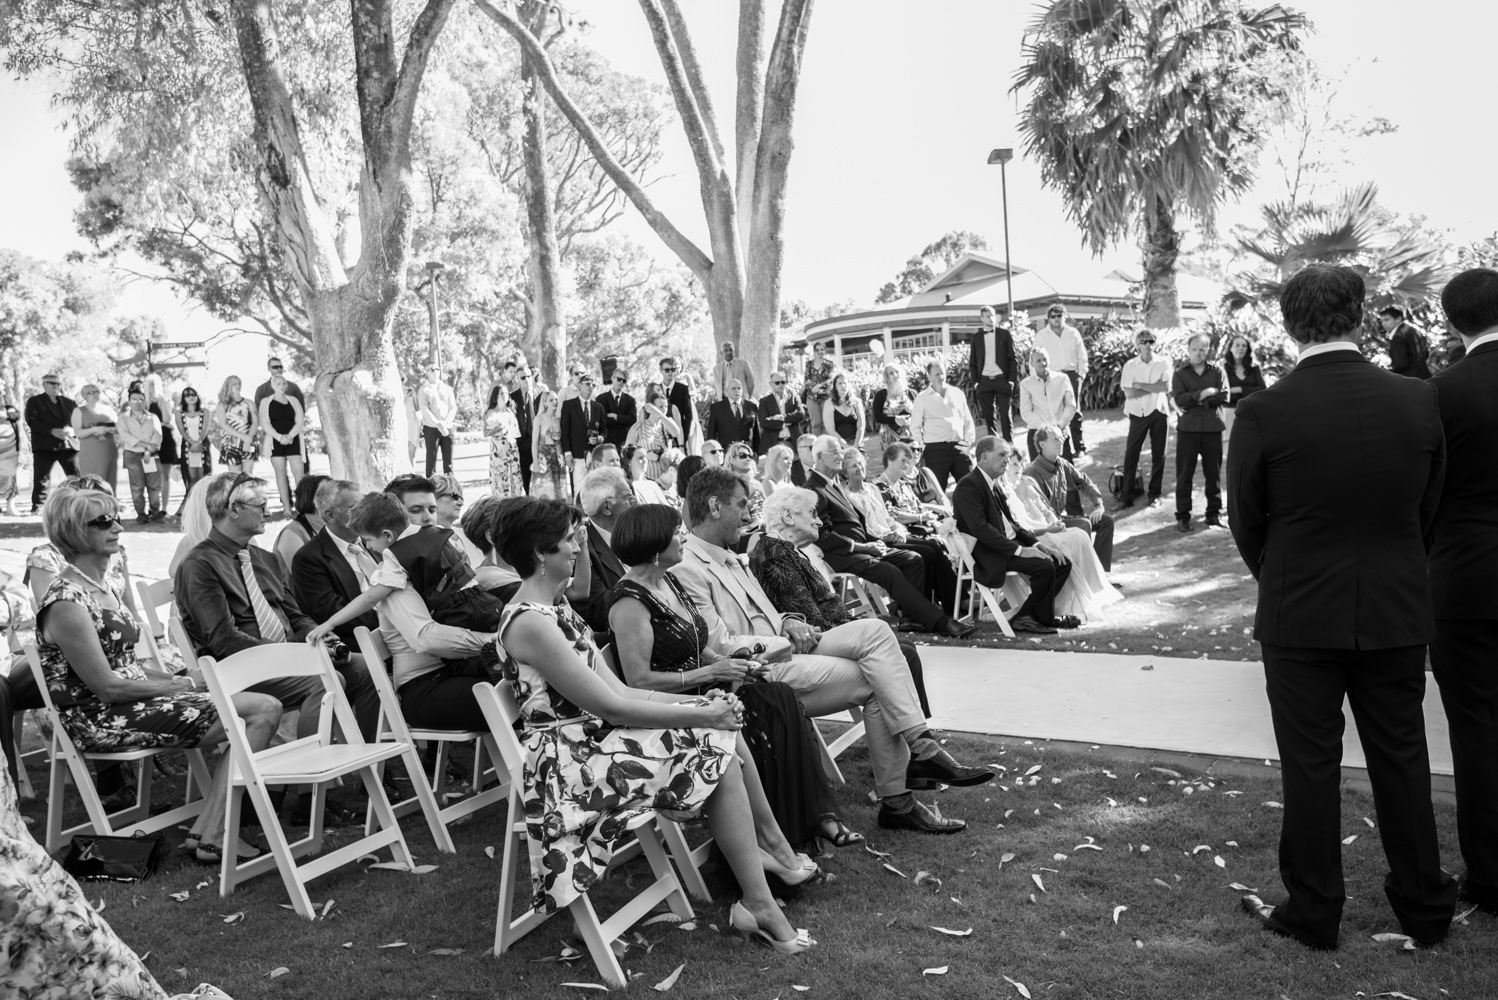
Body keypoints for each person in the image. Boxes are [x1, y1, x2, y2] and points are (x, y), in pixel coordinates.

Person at [1229, 263, 1456, 951]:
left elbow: (1247, 519)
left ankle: (1315, 909)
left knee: (1310, 764)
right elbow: (1429, 506)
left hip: (1299, 611)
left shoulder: (1266, 409)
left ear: (1289, 323)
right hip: (1393, 604)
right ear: (1360, 315)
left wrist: (1284, 573)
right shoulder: (1417, 399)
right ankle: (1424, 905)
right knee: (1402, 758)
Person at [491, 497, 816, 952]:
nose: (578, 545)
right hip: (568, 764)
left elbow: (622, 694)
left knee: (721, 735)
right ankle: (762, 893)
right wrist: (701, 713)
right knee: (715, 747)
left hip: (596, 740)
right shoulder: (530, 623)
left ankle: (766, 876)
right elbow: (616, 708)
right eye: (569, 540)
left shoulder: (556, 608)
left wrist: (701, 708)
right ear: (541, 553)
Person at [670, 467, 991, 833]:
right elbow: (720, 646)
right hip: (758, 671)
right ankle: (908, 783)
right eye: (741, 505)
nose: (748, 515)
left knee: (878, 640)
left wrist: (789, 618)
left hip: (791, 647)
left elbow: (765, 612)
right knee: (878, 669)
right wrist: (785, 638)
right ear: (714, 506)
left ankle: (915, 765)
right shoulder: (689, 567)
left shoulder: (732, 555)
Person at [36, 485, 282, 865]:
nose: (116, 526)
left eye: (116, 517)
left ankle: (208, 830)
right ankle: (214, 832)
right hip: (100, 717)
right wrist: (180, 683)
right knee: (261, 710)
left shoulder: (105, 586)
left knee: (260, 706)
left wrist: (180, 676)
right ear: (73, 532)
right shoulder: (67, 600)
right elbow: (107, 686)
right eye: (102, 521)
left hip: (135, 699)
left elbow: (126, 665)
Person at [609, 502, 862, 856]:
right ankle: (786, 834)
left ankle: (810, 819)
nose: (683, 536)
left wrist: (731, 662)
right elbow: (639, 681)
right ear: (653, 545)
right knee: (772, 703)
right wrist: (712, 672)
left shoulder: (668, 580)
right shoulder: (630, 600)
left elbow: (698, 643)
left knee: (779, 695)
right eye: (675, 532)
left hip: (710, 685)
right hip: (673, 704)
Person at [175, 472, 375, 759]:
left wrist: (320, 637)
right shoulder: (199, 565)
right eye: (261, 505)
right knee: (325, 682)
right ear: (234, 509)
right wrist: (294, 655)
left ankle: (366, 761)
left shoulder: (264, 559)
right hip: (239, 670)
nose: (269, 512)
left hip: (288, 658)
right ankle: (307, 784)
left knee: (364, 668)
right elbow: (223, 639)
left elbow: (295, 616)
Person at [1427, 267, 1498, 916]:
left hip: (1466, 573)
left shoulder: (1440, 394)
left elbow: (1422, 494)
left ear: (1451, 322)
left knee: (1476, 727)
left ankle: (1491, 879)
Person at [751, 486, 934, 718]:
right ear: (788, 517)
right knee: (902, 651)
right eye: (812, 513)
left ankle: (915, 733)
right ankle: (917, 735)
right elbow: (809, 620)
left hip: (829, 636)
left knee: (902, 647)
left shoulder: (788, 551)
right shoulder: (775, 554)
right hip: (814, 646)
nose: (819, 522)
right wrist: (857, 631)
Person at [806, 436, 971, 639]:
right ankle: (942, 622)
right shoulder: (814, 489)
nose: (841, 455)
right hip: (843, 555)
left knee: (914, 559)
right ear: (820, 456)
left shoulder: (831, 483)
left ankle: (911, 617)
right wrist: (863, 547)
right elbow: (823, 536)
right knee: (890, 572)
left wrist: (872, 543)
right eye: (835, 452)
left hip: (865, 545)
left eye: (841, 450)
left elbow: (855, 522)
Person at [952, 436, 1075, 636]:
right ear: (984, 457)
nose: (1007, 460)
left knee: (1062, 562)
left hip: (1008, 545)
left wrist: (1037, 545)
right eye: (1002, 455)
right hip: (990, 553)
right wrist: (1019, 551)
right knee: (1044, 567)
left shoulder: (995, 484)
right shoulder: (968, 486)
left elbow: (1014, 524)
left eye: (1008, 456)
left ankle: (1031, 617)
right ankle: (1034, 618)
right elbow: (981, 529)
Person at [1005, 450, 1122, 622]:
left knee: (1082, 534)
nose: (1019, 467)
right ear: (1042, 444)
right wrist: (1048, 529)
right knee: (1077, 534)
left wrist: (1097, 505)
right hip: (1034, 534)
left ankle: (1095, 585)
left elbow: (1045, 508)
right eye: (1014, 464)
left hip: (1048, 524)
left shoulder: (1032, 478)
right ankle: (1067, 599)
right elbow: (1020, 525)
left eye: (1020, 463)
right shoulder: (1017, 483)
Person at [841, 446, 956, 611]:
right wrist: (884, 538)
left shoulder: (872, 489)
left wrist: (897, 530)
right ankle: (915, 609)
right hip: (877, 542)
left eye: (860, 464)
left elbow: (888, 517)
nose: (859, 468)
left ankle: (946, 603)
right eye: (853, 466)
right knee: (923, 554)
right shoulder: (847, 497)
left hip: (892, 534)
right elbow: (862, 528)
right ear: (845, 472)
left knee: (932, 548)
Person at [291, 479, 380, 652]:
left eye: (365, 506)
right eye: (355, 508)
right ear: (330, 515)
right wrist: (394, 618)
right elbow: (333, 613)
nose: (365, 513)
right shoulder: (308, 559)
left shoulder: (377, 541)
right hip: (360, 646)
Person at [1023, 426, 1115, 572]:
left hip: (1060, 519)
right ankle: (1087, 575)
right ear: (1042, 444)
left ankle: (1100, 574)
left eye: (1062, 438)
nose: (1061, 442)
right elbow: (1036, 511)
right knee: (1084, 524)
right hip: (1046, 526)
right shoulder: (1032, 472)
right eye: (1055, 439)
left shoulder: (1062, 464)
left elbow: (1083, 481)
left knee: (1106, 522)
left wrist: (1099, 505)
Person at [1171, 332, 1226, 533]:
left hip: (1212, 428)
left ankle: (1213, 514)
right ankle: (1183, 516)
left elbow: (1223, 396)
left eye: (1202, 349)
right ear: (1189, 350)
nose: (1198, 353)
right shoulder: (1180, 374)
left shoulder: (1217, 371)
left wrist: (1196, 399)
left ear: (1208, 350)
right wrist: (1203, 394)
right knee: (1184, 474)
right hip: (1189, 430)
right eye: (1195, 349)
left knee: (1214, 474)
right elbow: (1179, 400)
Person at [577, 466, 635, 639]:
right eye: (627, 497)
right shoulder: (582, 548)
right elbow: (601, 611)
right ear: (607, 507)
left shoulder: (635, 533)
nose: (634, 501)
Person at [1118, 329, 1171, 509]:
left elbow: (1166, 387)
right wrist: (1153, 387)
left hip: (1159, 411)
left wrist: (1140, 385)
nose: (1148, 345)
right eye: (1144, 342)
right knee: (1131, 455)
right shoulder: (1130, 365)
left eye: (1151, 342)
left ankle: (1154, 495)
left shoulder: (1163, 362)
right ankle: (1126, 497)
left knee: (1159, 455)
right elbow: (1129, 392)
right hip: (1137, 413)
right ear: (1137, 345)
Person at [909, 359, 975, 490]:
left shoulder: (957, 393)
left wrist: (968, 441)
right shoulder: (922, 398)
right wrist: (923, 447)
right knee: (938, 490)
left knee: (971, 486)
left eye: (942, 373)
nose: (941, 377)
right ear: (929, 376)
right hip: (935, 450)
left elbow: (967, 419)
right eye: (937, 374)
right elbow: (915, 427)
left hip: (959, 446)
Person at [1033, 305, 1090, 454]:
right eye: (1053, 316)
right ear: (1048, 318)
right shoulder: (1041, 335)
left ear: (1064, 316)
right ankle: (1063, 448)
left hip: (1071, 375)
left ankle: (1080, 447)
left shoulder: (1073, 333)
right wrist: (1038, 379)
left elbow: (1082, 356)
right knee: (1055, 412)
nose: (1056, 319)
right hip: (1051, 376)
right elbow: (1033, 359)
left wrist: (1081, 375)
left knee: (1074, 411)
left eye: (1059, 315)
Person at [24, 372, 78, 512]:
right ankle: (39, 506)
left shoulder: (70, 403)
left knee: (76, 477)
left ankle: (79, 502)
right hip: (44, 446)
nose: (56, 386)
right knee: (42, 479)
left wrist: (72, 431)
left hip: (68, 446)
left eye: (58, 383)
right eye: (52, 383)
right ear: (44, 385)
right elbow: (32, 422)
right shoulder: (34, 401)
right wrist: (52, 431)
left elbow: (78, 422)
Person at [874, 442, 949, 539]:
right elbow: (891, 514)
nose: (906, 464)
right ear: (890, 460)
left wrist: (928, 519)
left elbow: (918, 506)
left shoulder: (902, 484)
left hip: (922, 525)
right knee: (934, 547)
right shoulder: (878, 485)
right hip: (900, 532)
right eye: (903, 460)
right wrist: (922, 518)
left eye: (908, 461)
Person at [257, 374, 306, 516]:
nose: (282, 386)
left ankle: (302, 506)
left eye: (284, 383)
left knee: (299, 473)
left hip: (293, 439)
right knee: (281, 473)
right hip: (275, 441)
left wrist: (290, 436)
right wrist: (279, 437)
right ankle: (286, 507)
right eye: (278, 384)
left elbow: (300, 421)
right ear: (273, 385)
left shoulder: (294, 400)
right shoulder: (266, 402)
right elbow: (265, 423)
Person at [968, 304, 1018, 441]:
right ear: (982, 319)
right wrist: (976, 383)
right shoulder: (976, 338)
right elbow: (972, 363)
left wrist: (1011, 381)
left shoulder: (1004, 334)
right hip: (984, 382)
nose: (991, 318)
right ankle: (995, 447)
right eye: (988, 316)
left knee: (1005, 416)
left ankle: (1009, 446)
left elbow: (1013, 359)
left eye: (992, 315)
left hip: (1002, 380)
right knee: (989, 418)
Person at [117, 386, 165, 524]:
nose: (138, 402)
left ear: (144, 402)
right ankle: (141, 515)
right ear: (129, 401)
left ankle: (155, 513)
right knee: (137, 488)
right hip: (133, 456)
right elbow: (125, 436)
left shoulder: (153, 417)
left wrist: (149, 451)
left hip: (150, 456)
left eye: (141, 400)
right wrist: (146, 446)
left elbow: (158, 434)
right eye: (134, 400)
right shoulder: (123, 418)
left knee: (154, 487)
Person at [1018, 347, 1076, 461]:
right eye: (1038, 361)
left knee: (1067, 474)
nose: (1043, 363)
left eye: (1044, 359)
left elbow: (1071, 406)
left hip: (1060, 432)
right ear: (1032, 364)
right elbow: (1026, 412)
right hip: (1037, 434)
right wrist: (1046, 429)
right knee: (1039, 475)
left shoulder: (1062, 379)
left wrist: (1059, 426)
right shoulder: (1026, 384)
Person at [274, 473, 328, 574]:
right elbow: (306, 579)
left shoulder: (332, 528)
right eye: (328, 493)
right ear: (311, 499)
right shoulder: (291, 535)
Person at [560, 372, 605, 486]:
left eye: (593, 385)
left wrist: (599, 438)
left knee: (595, 488)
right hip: (576, 456)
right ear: (580, 385)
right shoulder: (568, 405)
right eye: (588, 384)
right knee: (579, 490)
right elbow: (565, 432)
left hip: (594, 456)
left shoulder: (598, 407)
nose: (591, 387)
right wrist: (567, 454)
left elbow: (604, 431)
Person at [71, 384, 118, 493]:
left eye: (96, 391)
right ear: (84, 396)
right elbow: (78, 433)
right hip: (90, 452)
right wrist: (94, 430)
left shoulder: (108, 410)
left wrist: (111, 429)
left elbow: (119, 428)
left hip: (109, 449)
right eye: (89, 393)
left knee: (110, 480)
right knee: (92, 481)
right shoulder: (79, 411)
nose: (94, 394)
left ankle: (110, 504)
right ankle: (91, 505)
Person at [1220, 333, 1266, 441]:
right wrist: (1249, 391)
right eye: (1237, 345)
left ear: (1248, 349)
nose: (1241, 348)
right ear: (1230, 348)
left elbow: (1262, 389)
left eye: (1244, 346)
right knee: (1229, 448)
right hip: (1229, 413)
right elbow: (1222, 393)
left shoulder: (1255, 369)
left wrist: (1239, 389)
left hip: (1251, 412)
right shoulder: (1223, 369)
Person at [174, 384, 212, 511]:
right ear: (183, 398)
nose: (191, 397)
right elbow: (181, 430)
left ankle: (204, 507)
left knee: (203, 477)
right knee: (191, 478)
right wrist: (191, 442)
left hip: (202, 447)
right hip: (188, 448)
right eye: (187, 395)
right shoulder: (179, 413)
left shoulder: (205, 412)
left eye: (193, 394)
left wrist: (199, 442)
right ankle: (189, 508)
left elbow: (205, 428)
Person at [633, 386, 683, 478]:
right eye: (660, 407)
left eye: (666, 406)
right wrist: (645, 456)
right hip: (647, 477)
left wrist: (660, 415)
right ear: (650, 407)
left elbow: (676, 432)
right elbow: (629, 451)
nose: (664, 409)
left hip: (666, 477)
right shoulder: (640, 426)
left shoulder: (667, 422)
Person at [483, 383, 523, 500]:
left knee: (515, 481)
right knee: (501, 482)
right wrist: (499, 428)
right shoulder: (491, 413)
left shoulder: (511, 411)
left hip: (513, 451)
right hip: (499, 454)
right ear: (496, 396)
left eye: (506, 393)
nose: (504, 395)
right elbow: (485, 433)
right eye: (501, 393)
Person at [418, 363, 458, 477]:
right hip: (431, 429)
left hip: (447, 427)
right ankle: (431, 487)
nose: (434, 371)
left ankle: (451, 487)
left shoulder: (447, 388)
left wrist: (445, 423)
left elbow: (453, 407)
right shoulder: (423, 390)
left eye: (437, 369)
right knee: (431, 459)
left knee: (448, 462)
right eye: (431, 369)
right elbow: (425, 410)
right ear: (426, 372)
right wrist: (438, 424)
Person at [213, 375, 258, 474]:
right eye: (234, 384)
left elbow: (255, 422)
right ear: (228, 385)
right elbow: (224, 424)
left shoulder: (249, 403)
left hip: (248, 442)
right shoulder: (222, 404)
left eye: (239, 383)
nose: (238, 386)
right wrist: (242, 436)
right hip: (231, 444)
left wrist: (248, 438)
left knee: (247, 476)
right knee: (234, 477)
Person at [530, 389, 569, 500]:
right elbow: (534, 442)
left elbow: (561, 440)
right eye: (551, 400)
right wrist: (536, 462)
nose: (554, 402)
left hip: (558, 458)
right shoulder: (539, 419)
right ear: (545, 403)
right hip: (544, 458)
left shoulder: (559, 419)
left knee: (559, 489)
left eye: (556, 399)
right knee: (544, 489)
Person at [757, 370, 804, 456]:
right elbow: (764, 422)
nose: (781, 385)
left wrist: (781, 417)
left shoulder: (794, 397)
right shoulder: (764, 401)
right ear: (770, 384)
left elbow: (800, 415)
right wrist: (785, 423)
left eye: (783, 382)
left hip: (794, 444)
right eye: (777, 383)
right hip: (774, 445)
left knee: (798, 469)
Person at [869, 365, 914, 453]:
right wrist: (895, 419)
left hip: (911, 436)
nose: (895, 375)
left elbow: (921, 414)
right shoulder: (881, 394)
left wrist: (912, 412)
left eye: (897, 372)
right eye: (891, 373)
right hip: (889, 438)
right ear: (887, 377)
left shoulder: (911, 393)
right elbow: (877, 416)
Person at [1380, 305, 1432, 379]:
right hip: (1425, 376)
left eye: (1387, 320)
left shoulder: (1398, 337)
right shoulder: (1414, 330)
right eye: (1382, 320)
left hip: (1410, 380)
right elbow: (1425, 354)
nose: (1383, 323)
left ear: (1398, 319)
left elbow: (1401, 364)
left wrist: (1388, 374)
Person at [707, 378, 759, 452]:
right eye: (733, 388)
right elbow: (711, 433)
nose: (737, 391)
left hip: (746, 451)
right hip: (725, 451)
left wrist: (757, 452)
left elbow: (756, 432)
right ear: (727, 391)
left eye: (739, 388)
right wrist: (712, 451)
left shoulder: (751, 406)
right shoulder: (716, 408)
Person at [511, 366, 538, 492]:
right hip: (522, 441)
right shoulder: (512, 397)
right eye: (523, 377)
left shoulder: (540, 394)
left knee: (540, 476)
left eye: (529, 376)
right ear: (518, 380)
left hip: (539, 440)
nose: (526, 379)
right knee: (526, 476)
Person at [659, 355, 696, 445]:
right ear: (661, 371)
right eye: (667, 370)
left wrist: (684, 438)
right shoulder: (656, 389)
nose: (670, 372)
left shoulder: (683, 389)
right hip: (660, 437)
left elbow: (688, 415)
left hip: (680, 437)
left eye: (673, 369)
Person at [821, 373, 863, 449]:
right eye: (840, 383)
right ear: (835, 387)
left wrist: (856, 445)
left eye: (845, 383)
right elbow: (831, 430)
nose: (843, 386)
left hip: (856, 442)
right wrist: (846, 447)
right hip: (837, 444)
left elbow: (861, 427)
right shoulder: (829, 403)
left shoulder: (857, 402)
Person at [802, 342, 835, 435]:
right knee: (816, 423)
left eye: (822, 349)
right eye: (817, 350)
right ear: (814, 351)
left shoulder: (829, 364)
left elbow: (830, 380)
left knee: (825, 423)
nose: (820, 352)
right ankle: (817, 446)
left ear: (825, 350)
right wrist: (813, 389)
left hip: (825, 396)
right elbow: (806, 380)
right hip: (812, 397)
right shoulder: (808, 364)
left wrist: (818, 387)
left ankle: (825, 446)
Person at [599, 369, 637, 448]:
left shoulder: (630, 400)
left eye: (624, 381)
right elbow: (601, 420)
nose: (621, 382)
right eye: (619, 379)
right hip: (607, 439)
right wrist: (623, 420)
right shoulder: (601, 399)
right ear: (612, 378)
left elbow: (632, 420)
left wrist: (615, 416)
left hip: (624, 440)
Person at [0, 401, 21, 515]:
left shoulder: (8, 408)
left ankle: (10, 506)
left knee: (11, 478)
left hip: (9, 450)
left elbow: (16, 416)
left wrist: (7, 414)